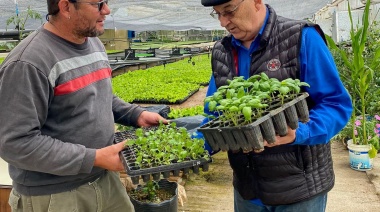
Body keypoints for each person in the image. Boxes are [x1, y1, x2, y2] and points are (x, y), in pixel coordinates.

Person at [0, 0, 167, 211]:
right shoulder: (28, 63)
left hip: (104, 179)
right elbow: (15, 143)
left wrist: (136, 115)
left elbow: (101, 97)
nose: (106, 10)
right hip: (56, 194)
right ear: (66, 7)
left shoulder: (93, 43)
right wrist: (94, 158)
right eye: (98, 4)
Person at [198, 0, 353, 211]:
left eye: (230, 11)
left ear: (256, 1)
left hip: (299, 190)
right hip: (247, 190)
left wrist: (300, 131)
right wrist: (192, 151)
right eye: (217, 14)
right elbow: (214, 115)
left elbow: (335, 103)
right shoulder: (222, 51)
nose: (224, 22)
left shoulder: (301, 37)